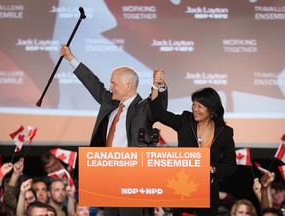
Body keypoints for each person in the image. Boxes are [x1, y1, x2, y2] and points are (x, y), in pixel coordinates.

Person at [60, 45, 168, 216]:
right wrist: (71, 58)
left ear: (128, 85)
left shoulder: (143, 108)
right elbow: (92, 82)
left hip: (132, 176)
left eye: (113, 83)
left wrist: (159, 87)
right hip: (108, 174)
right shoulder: (110, 102)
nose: (110, 87)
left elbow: (159, 106)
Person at [149, 85, 237, 216]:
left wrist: (213, 168)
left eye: (200, 106)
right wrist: (156, 87)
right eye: (193, 105)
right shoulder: (185, 121)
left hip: (208, 191)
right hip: (182, 188)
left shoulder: (225, 132)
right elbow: (158, 113)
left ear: (211, 109)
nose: (195, 109)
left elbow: (231, 166)